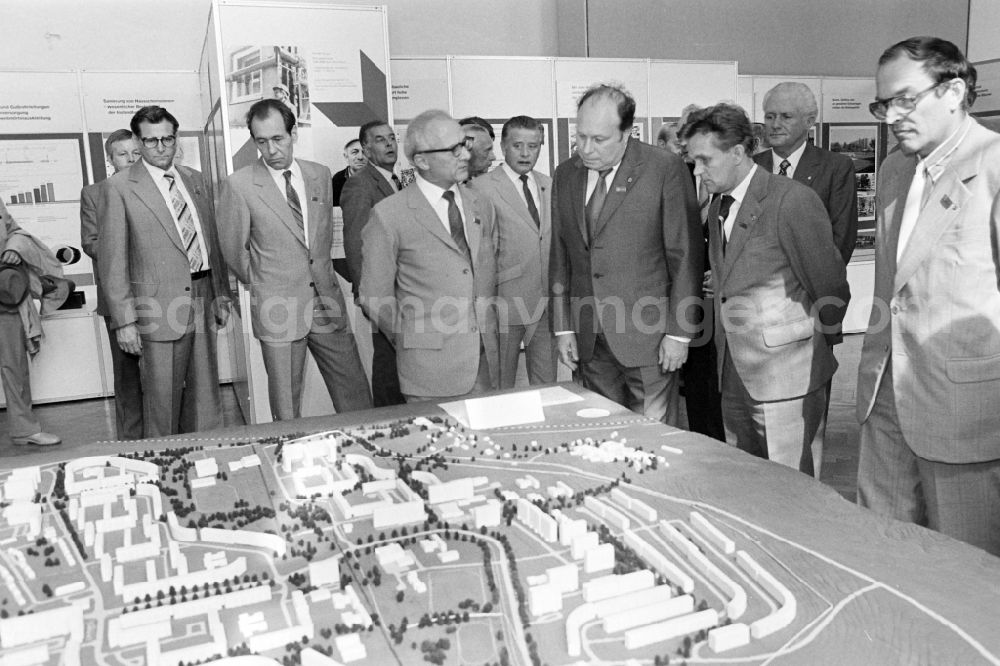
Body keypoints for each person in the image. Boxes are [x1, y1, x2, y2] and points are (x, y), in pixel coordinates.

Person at [856, 36, 1000, 556]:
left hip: (965, 414)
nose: (892, 115)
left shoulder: (995, 167)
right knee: (884, 553)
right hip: (884, 399)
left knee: (964, 571)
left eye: (905, 99)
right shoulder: (895, 169)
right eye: (883, 104)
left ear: (955, 91)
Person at [680, 103, 850, 476]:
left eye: (705, 160)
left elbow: (831, 286)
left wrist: (812, 340)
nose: (698, 170)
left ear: (738, 153)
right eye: (693, 161)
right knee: (749, 481)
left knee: (792, 488)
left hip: (786, 378)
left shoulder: (791, 201)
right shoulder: (718, 204)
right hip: (733, 371)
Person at [549, 84, 702, 424]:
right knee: (602, 433)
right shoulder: (566, 175)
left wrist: (679, 333)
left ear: (626, 133)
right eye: (581, 136)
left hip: (650, 339)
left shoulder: (664, 170)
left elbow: (685, 256)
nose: (586, 149)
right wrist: (562, 328)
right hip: (589, 339)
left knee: (653, 439)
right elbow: (560, 256)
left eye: (598, 139)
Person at [218, 99, 372, 421]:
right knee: (286, 408)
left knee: (355, 392)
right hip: (278, 307)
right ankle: (287, 459)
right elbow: (234, 250)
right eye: (261, 141)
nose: (271, 150)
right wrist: (266, 284)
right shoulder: (240, 185)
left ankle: (366, 451)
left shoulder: (319, 174)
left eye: (278, 139)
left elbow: (323, 238)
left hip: (327, 302)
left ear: (293, 132)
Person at [98, 105, 233, 438]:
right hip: (155, 309)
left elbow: (209, 238)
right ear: (139, 142)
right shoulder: (119, 188)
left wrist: (221, 293)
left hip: (202, 296)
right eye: (151, 141)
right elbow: (112, 261)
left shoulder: (194, 179)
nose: (160, 148)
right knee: (162, 401)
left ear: (176, 139)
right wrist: (125, 321)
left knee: (206, 396)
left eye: (167, 140)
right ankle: (164, 470)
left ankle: (206, 461)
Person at [359, 109, 500, 402]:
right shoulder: (389, 215)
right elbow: (374, 295)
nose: (465, 155)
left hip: (483, 365)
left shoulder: (480, 205)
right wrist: (412, 340)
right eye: (455, 149)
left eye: (466, 145)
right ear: (422, 161)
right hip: (428, 372)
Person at [470, 115, 556, 387]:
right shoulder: (481, 188)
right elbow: (480, 253)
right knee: (500, 386)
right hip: (504, 304)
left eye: (533, 146)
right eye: (518, 145)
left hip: (545, 305)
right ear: (503, 147)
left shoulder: (549, 184)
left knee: (547, 386)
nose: (525, 153)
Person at [80, 129, 144, 440]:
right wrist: (126, 246)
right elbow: (90, 243)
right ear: (110, 160)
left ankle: (172, 439)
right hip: (118, 298)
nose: (131, 159)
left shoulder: (155, 189)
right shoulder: (95, 194)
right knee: (128, 375)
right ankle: (131, 444)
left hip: (161, 296)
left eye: (136, 152)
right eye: (123, 154)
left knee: (170, 377)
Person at [755, 82, 858, 265]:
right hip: (754, 287)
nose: (775, 125)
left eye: (786, 117)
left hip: (810, 287)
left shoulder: (835, 168)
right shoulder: (753, 167)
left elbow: (841, 241)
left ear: (809, 121)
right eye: (770, 117)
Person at [341, 119, 405, 406]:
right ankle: (387, 421)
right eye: (380, 140)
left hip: (405, 287)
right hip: (382, 289)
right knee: (387, 361)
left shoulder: (398, 180)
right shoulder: (359, 185)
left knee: (404, 357)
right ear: (365, 148)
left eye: (392, 138)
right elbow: (355, 242)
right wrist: (364, 291)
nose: (390, 144)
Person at [1, 202, 64, 447]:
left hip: (5, 298)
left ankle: (23, 429)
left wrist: (16, 247)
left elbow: (15, 231)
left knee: (14, 366)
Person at [331, 138, 366, 207]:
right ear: (346, 156)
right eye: (354, 152)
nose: (360, 157)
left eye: (365, 152)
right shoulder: (337, 180)